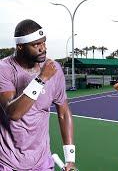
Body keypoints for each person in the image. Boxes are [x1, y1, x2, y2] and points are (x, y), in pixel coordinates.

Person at [0, 19, 76, 170]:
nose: (43, 48)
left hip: (42, 162)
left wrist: (70, 158)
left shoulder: (53, 68)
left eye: (44, 43)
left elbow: (64, 113)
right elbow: (13, 113)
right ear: (20, 47)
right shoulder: (4, 69)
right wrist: (41, 79)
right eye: (36, 45)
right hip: (9, 162)